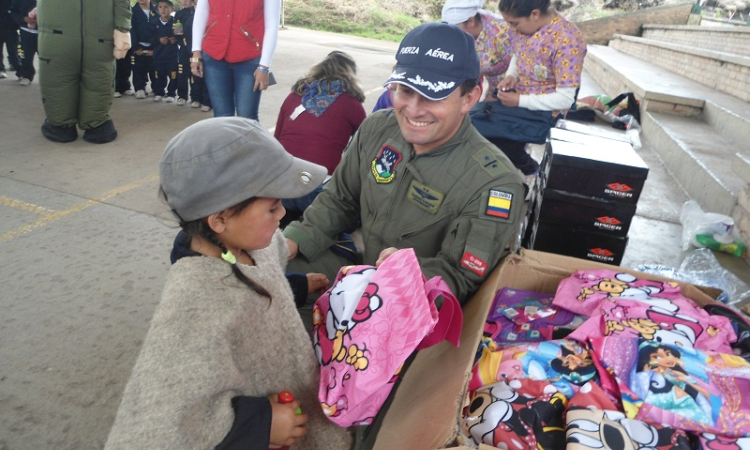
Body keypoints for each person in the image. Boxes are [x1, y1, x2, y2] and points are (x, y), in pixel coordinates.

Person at [103, 117, 353, 450]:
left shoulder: (251, 244)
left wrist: (295, 285)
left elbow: (264, 279)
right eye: (273, 207)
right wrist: (259, 424)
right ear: (219, 219)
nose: (282, 216)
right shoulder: (194, 309)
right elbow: (155, 429)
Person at [284, 23, 525, 319]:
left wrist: (409, 272)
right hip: (359, 269)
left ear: (470, 98)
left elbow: (461, 278)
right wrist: (294, 239)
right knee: (266, 279)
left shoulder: (495, 183)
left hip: (413, 305)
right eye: (405, 90)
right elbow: (340, 199)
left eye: (432, 96)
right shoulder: (377, 127)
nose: (412, 109)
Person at [493, 0, 587, 175]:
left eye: (514, 23)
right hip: (520, 102)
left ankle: (532, 169)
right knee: (478, 122)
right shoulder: (525, 29)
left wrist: (520, 100)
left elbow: (565, 99)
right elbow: (518, 53)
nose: (512, 29)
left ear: (534, 14)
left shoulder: (568, 40)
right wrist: (511, 76)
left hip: (545, 114)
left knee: (493, 138)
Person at [36, 0, 131, 144]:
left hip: (90, 40)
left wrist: (122, 28)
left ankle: (81, 123)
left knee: (94, 81)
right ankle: (71, 123)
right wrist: (122, 27)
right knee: (61, 82)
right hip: (82, 39)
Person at [275, 51, 366, 176]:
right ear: (351, 76)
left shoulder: (294, 96)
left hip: (282, 170)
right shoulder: (352, 104)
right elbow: (365, 146)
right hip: (322, 177)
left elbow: (277, 138)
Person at [190, 0, 280, 119]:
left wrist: (264, 66)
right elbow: (202, 11)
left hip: (249, 58)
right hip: (214, 55)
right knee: (222, 115)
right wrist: (196, 51)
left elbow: (272, 24)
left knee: (247, 116)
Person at [442, 0, 512, 101]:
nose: (453, 34)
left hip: (512, 96)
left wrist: (495, 97)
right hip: (492, 95)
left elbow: (520, 72)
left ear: (471, 21)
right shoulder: (465, 38)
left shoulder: (502, 33)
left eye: (456, 28)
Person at [175, 0, 210, 109]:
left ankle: (201, 99)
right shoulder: (180, 14)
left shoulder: (206, 13)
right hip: (186, 49)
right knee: (183, 73)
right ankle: (183, 96)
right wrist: (183, 44)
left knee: (200, 75)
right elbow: (178, 33)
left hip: (203, 50)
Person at [150, 0, 178, 103]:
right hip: (159, 54)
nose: (163, 9)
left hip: (172, 54)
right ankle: (159, 92)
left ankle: (171, 93)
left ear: (172, 9)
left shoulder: (175, 22)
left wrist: (175, 39)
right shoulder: (154, 23)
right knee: (159, 74)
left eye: (166, 7)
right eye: (160, 7)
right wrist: (159, 40)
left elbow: (181, 35)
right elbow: (150, 37)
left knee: (173, 75)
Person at [130, 0, 156, 100]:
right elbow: (132, 31)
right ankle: (139, 88)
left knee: (154, 69)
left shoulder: (156, 11)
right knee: (138, 68)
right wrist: (136, 47)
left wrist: (155, 47)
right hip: (139, 45)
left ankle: (156, 88)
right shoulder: (133, 11)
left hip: (153, 46)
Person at [10, 0, 36, 86]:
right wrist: (24, 18)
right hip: (26, 31)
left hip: (45, 32)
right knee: (25, 55)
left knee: (47, 58)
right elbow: (13, 12)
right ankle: (27, 76)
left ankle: (50, 78)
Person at [0, 0, 20, 79]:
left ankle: (20, 71)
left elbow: (17, 9)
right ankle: (1, 69)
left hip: (11, 27)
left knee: (13, 52)